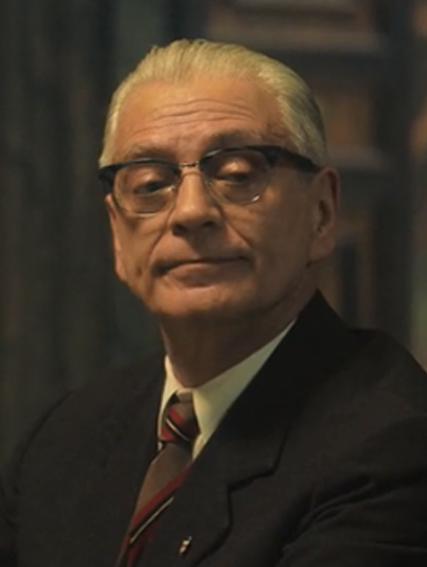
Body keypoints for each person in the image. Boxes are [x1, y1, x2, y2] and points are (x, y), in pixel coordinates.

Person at [1, 38, 427, 567]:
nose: (190, 211)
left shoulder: (395, 445)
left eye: (237, 175)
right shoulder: (64, 437)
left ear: (321, 212)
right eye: (151, 184)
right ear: (117, 235)